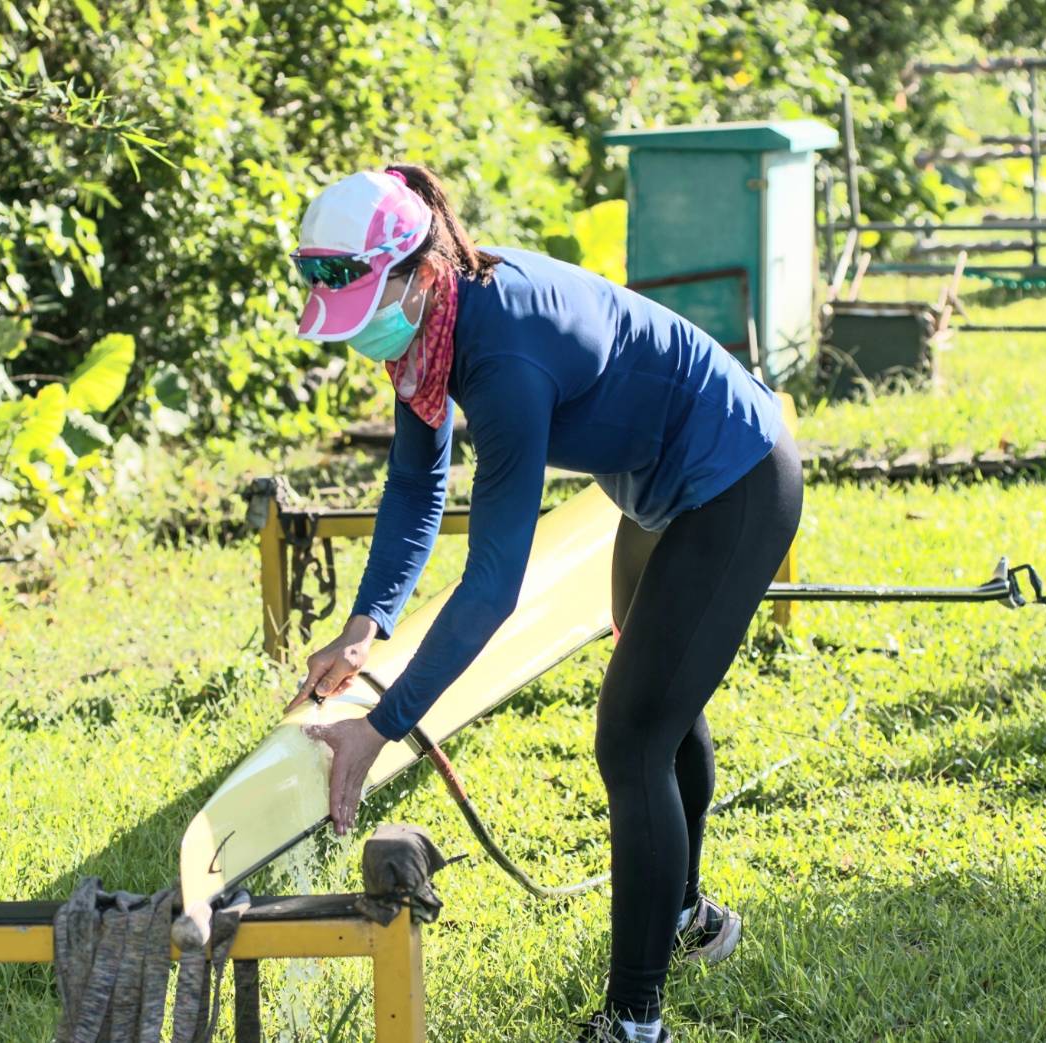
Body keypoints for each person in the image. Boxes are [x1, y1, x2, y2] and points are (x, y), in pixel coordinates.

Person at [285, 166, 802, 1043]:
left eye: (367, 306)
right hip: (658, 496)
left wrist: (381, 728)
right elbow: (415, 484)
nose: (362, 336)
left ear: (419, 271)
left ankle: (635, 1021)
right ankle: (684, 918)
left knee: (633, 735)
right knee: (663, 711)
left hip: (737, 480)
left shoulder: (501, 357)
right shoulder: (431, 327)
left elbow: (494, 585)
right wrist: (366, 624)